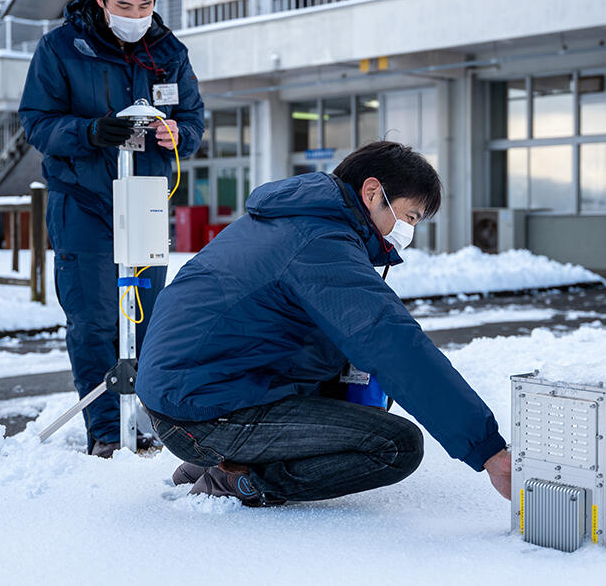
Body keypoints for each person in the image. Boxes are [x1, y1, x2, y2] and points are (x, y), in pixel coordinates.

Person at [135, 142, 511, 506]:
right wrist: (489, 451)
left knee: (362, 383)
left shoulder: (294, 218)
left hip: (191, 393)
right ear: (372, 192)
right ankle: (239, 477)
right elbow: (394, 344)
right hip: (201, 410)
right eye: (410, 216)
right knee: (397, 445)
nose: (408, 231)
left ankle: (217, 456)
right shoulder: (320, 242)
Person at [19, 0, 205, 457]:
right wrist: (91, 131)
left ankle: (147, 419)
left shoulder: (168, 51)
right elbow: (36, 120)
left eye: (145, 6)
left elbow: (193, 118)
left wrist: (178, 135)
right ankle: (105, 428)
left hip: (145, 196)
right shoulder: (61, 48)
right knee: (96, 317)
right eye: (124, 5)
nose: (135, 17)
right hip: (83, 200)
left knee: (147, 317)